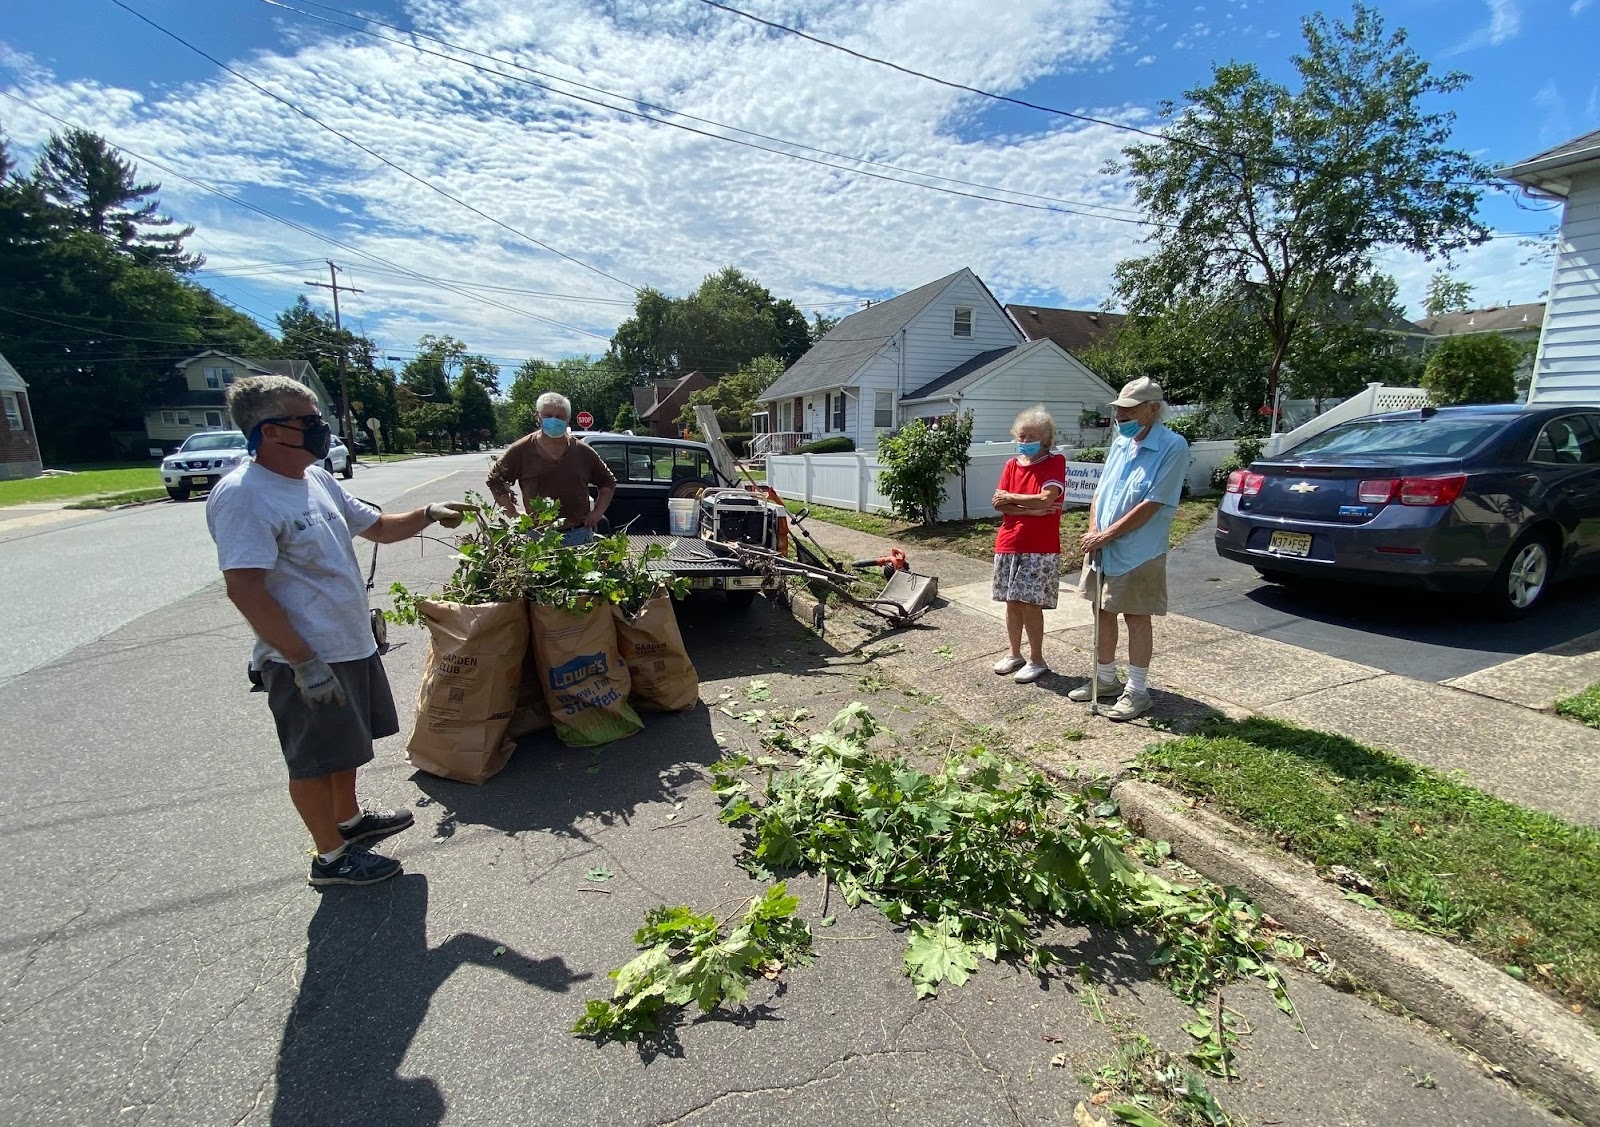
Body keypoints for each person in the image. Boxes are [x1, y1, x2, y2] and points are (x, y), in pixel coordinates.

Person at [207, 375, 470, 887]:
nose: (320, 428)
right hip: (305, 656)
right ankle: (330, 858)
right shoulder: (243, 496)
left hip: (349, 643)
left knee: (345, 746)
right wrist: (303, 662)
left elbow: (378, 527)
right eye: (307, 421)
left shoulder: (315, 479)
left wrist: (428, 513)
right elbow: (244, 587)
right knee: (312, 760)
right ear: (270, 431)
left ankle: (348, 821)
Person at [1074, 377, 1191, 721]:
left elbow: (1153, 503)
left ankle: (1138, 692)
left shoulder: (1173, 446)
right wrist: (1094, 530)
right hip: (1103, 547)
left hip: (1139, 551)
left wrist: (1106, 535)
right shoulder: (1121, 443)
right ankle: (1106, 679)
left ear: (1152, 410)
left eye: (1128, 410)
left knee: (1136, 617)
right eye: (1118, 410)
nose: (1120, 417)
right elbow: (1100, 492)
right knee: (1101, 611)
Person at [990, 406, 1067, 684]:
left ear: (1045, 437)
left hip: (1040, 545)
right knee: (1012, 602)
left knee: (1030, 603)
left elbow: (1047, 498)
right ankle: (1014, 654)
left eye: (1032, 436)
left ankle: (1037, 659)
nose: (1025, 441)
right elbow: (999, 504)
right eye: (1022, 436)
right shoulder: (1011, 465)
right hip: (1008, 541)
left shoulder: (1055, 462)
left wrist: (1013, 498)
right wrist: (1032, 511)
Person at [486, 391, 616, 545]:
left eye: (560, 417)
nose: (554, 420)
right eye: (548, 415)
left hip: (578, 534)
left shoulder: (582, 451)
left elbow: (608, 481)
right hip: (538, 536)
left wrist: (597, 512)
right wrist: (513, 514)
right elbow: (495, 481)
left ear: (567, 419)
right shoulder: (521, 450)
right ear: (538, 416)